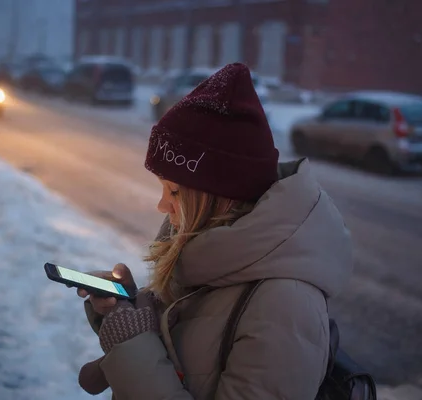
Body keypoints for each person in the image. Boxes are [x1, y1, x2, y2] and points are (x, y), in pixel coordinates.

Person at [76, 63, 353, 399]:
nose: (161, 206)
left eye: (174, 191)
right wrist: (129, 310)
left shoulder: (287, 307)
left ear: (218, 197)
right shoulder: (206, 253)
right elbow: (189, 341)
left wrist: (133, 344)